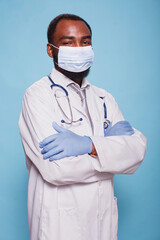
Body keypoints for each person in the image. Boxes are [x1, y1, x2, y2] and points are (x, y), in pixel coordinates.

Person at [19, 14, 147, 240]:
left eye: (85, 42)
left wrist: (89, 145)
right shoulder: (37, 95)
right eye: (68, 43)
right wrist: (109, 150)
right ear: (51, 50)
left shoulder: (103, 98)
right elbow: (55, 170)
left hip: (102, 222)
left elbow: (136, 151)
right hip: (59, 225)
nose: (78, 48)